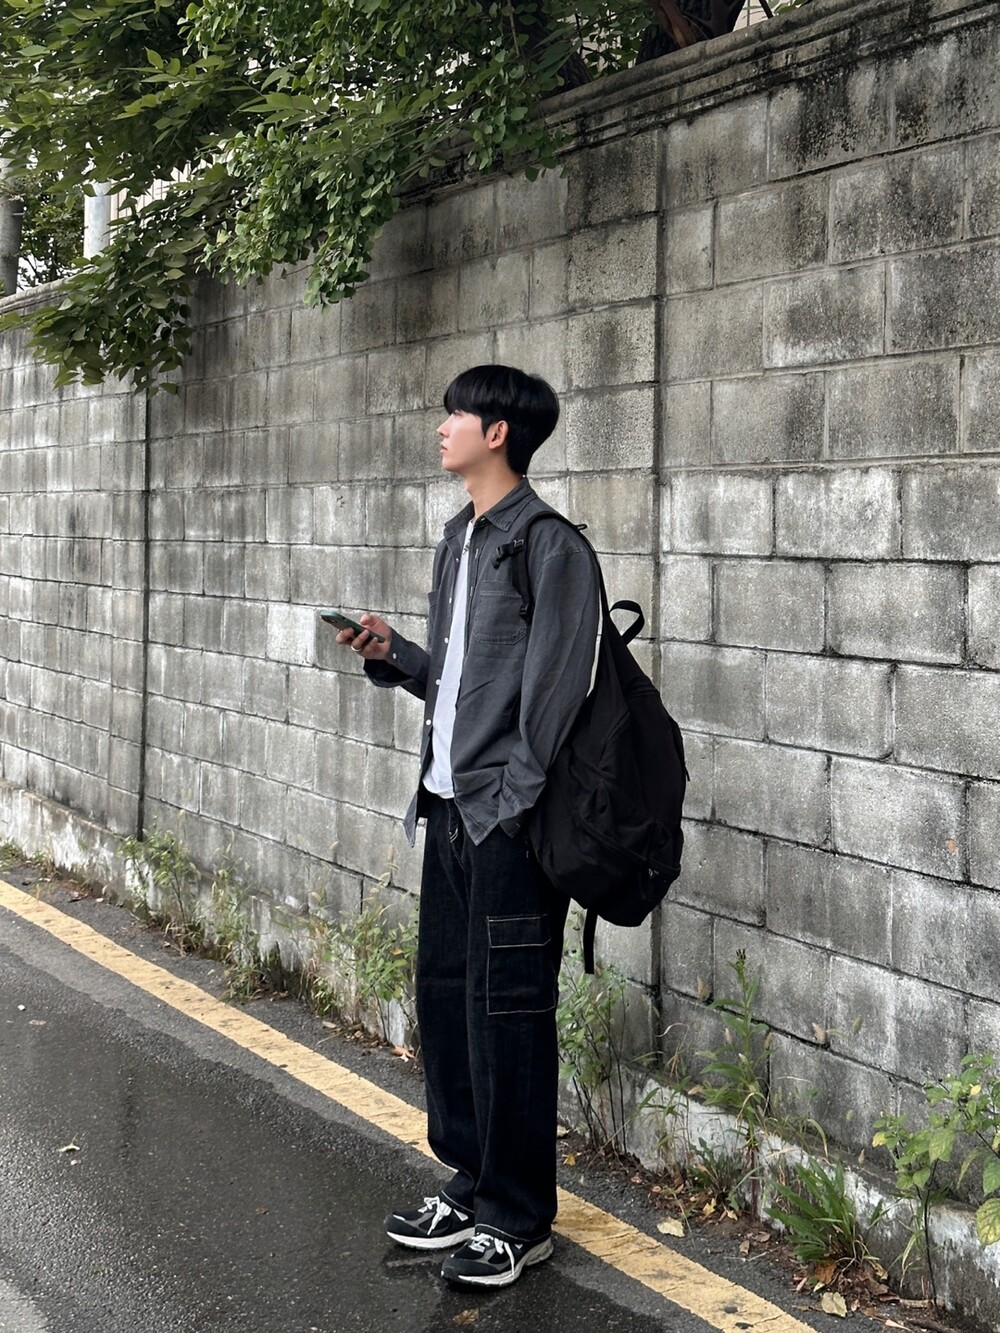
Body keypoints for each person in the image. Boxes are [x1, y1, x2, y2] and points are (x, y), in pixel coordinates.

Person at [336, 364, 600, 1288]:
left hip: (504, 822)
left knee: (510, 1011)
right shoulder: (461, 539)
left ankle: (519, 1215)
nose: (443, 423)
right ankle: (471, 1177)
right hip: (445, 807)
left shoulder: (550, 546)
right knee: (448, 995)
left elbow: (555, 697)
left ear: (498, 433)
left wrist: (512, 805)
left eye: (458, 412)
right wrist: (394, 654)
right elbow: (458, 680)